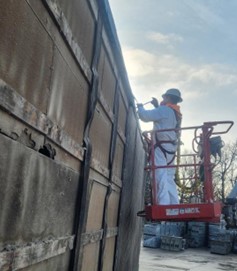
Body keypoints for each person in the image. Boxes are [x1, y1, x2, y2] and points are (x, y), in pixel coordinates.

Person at [137, 88, 183, 205]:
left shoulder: (164, 110)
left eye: (164, 97)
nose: (163, 99)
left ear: (168, 98)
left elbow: (144, 116)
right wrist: (157, 106)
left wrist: (140, 107)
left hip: (160, 148)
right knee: (168, 178)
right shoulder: (176, 113)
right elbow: (162, 117)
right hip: (170, 150)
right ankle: (174, 204)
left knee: (160, 175)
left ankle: (163, 206)